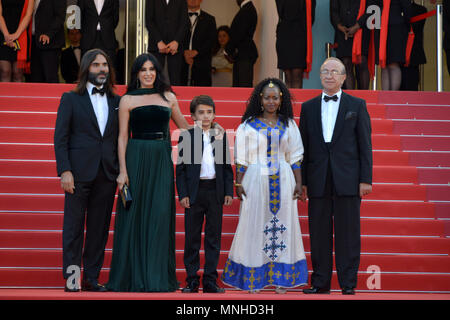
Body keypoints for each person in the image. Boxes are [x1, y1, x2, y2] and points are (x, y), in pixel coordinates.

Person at [106, 53, 190, 292]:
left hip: (161, 160)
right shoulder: (127, 100)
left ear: (157, 72)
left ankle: (157, 277)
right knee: (134, 217)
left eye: (152, 69)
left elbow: (184, 128)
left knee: (159, 217)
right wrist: (122, 171)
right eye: (143, 69)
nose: (148, 73)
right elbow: (122, 137)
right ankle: (132, 277)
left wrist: (209, 129)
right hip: (135, 157)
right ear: (136, 74)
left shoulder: (169, 97)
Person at [221, 78, 308, 293]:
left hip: (285, 180)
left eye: (275, 98)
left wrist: (299, 183)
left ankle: (282, 279)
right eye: (267, 97)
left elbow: (295, 155)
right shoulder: (248, 125)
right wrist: (238, 182)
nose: (271, 101)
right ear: (260, 99)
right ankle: (254, 277)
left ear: (281, 100)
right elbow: (241, 157)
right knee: (254, 225)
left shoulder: (289, 124)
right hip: (255, 179)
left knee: (283, 226)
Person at [299, 57, 372, 295]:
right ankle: (320, 283)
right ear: (320, 76)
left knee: (348, 233)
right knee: (318, 232)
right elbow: (305, 148)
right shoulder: (308, 107)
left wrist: (365, 179)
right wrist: (304, 183)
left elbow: (365, 145)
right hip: (318, 178)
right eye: (325, 71)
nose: (329, 75)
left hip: (348, 179)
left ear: (343, 77)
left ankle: (348, 283)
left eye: (334, 72)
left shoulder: (357, 104)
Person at [54, 48, 120, 292]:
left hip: (106, 173)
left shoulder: (117, 100)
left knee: (98, 229)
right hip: (78, 173)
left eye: (104, 65)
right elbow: (60, 138)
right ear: (86, 69)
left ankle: (92, 277)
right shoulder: (70, 98)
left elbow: (120, 139)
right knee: (73, 228)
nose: (101, 69)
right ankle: (73, 279)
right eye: (96, 65)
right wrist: (65, 170)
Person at [176, 95, 234, 293]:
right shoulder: (187, 136)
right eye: (201, 112)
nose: (206, 116)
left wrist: (228, 190)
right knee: (192, 237)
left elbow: (226, 166)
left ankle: (210, 280)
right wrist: (182, 193)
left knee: (213, 237)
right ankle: (192, 279)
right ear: (193, 116)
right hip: (194, 192)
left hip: (215, 192)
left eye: (209, 112)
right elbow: (181, 169)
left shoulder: (220, 135)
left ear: (215, 114)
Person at [353, 0, 412, 90]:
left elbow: (407, 11)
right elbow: (407, 10)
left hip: (391, 28)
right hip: (387, 28)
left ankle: (392, 98)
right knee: (385, 65)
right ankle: (387, 98)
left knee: (392, 64)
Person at [146, 0, 189, 86]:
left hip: (175, 48)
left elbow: (184, 21)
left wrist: (176, 41)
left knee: (175, 81)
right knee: (154, 79)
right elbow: (149, 21)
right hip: (156, 46)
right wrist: (158, 41)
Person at [275, 0, 316, 88]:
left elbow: (310, 18)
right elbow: (281, 11)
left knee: (297, 74)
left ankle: (296, 101)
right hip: (284, 35)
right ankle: (288, 101)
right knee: (287, 76)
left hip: (300, 36)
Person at [330, 0, 369, 90]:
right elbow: (333, 11)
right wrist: (339, 26)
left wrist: (357, 26)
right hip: (343, 32)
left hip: (361, 31)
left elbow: (371, 8)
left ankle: (364, 99)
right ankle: (349, 100)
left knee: (361, 62)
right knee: (346, 63)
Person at [182, 0, 217, 86]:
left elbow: (212, 41)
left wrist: (196, 52)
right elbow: (173, 37)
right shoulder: (178, 17)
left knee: (202, 94)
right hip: (181, 61)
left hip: (202, 63)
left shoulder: (210, 19)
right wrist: (184, 52)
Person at [30, 0, 66, 83]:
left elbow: (60, 16)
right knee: (35, 78)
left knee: (50, 77)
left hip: (50, 42)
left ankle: (52, 96)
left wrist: (48, 34)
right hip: (33, 40)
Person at [225, 0, 258, 87]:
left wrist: (227, 50)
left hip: (244, 55)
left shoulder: (246, 10)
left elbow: (239, 34)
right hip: (243, 55)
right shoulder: (247, 9)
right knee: (240, 87)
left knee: (243, 88)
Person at [0, 0, 34, 82]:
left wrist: (16, 34)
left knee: (18, 73)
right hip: (3, 32)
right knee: (5, 71)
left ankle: (17, 94)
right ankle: (4, 95)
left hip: (21, 34)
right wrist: (6, 35)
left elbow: (28, 14)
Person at [78, 0, 120, 64]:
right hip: (88, 39)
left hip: (107, 39)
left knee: (109, 68)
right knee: (86, 68)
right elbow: (79, 16)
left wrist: (106, 28)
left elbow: (115, 18)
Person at [400, 0, 426, 91]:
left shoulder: (421, 9)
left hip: (413, 56)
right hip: (396, 54)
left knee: (412, 86)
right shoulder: (394, 9)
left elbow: (414, 27)